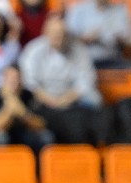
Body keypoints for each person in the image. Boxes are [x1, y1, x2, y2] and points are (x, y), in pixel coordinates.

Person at [18, 13, 103, 145]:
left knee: (95, 98)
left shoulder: (78, 50)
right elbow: (29, 83)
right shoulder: (33, 50)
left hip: (71, 97)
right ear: (45, 32)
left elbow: (86, 80)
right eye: (54, 32)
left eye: (61, 33)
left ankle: (92, 141)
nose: (58, 36)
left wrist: (67, 99)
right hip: (42, 98)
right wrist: (50, 100)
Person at [0, 64, 54, 157]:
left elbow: (41, 124)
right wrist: (10, 106)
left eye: (16, 78)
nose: (13, 82)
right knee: (1, 137)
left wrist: (22, 112)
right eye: (9, 78)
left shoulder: (28, 96)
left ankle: (39, 171)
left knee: (46, 137)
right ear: (2, 80)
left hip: (23, 134)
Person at [65, 0, 131, 69]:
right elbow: (68, 38)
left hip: (112, 59)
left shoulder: (119, 10)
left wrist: (117, 39)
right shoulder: (79, 10)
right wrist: (86, 38)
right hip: (85, 60)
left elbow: (126, 40)